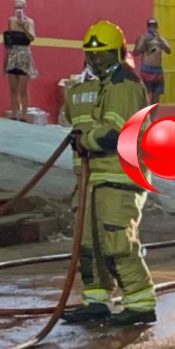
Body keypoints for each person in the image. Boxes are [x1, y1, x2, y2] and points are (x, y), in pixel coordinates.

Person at [62, 21, 156, 326]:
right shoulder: (90, 86)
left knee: (117, 242)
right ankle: (96, 301)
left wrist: (85, 140)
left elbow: (117, 132)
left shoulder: (125, 85)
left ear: (119, 52)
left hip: (119, 177)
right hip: (91, 179)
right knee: (89, 245)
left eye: (103, 55)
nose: (97, 61)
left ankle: (140, 303)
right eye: (93, 56)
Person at [59, 47, 113, 319]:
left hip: (85, 175)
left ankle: (96, 300)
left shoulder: (76, 93)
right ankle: (107, 299)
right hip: (109, 176)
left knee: (88, 242)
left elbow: (67, 117)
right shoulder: (117, 91)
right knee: (108, 241)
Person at [3, 0, 37, 121]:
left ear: (24, 8)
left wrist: (24, 27)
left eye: (20, 7)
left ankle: (24, 115)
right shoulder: (11, 20)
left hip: (24, 54)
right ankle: (14, 113)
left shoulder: (29, 22)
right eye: (16, 7)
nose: (18, 10)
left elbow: (32, 38)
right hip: (13, 54)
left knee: (23, 89)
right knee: (13, 88)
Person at [132, 17, 171, 105]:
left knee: (156, 95)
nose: (152, 28)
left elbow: (168, 51)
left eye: (154, 26)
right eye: (150, 26)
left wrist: (159, 40)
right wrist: (144, 41)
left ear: (157, 27)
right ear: (147, 27)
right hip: (147, 69)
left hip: (158, 70)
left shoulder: (161, 39)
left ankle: (153, 117)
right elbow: (136, 52)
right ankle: (143, 115)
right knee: (145, 95)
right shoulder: (142, 38)